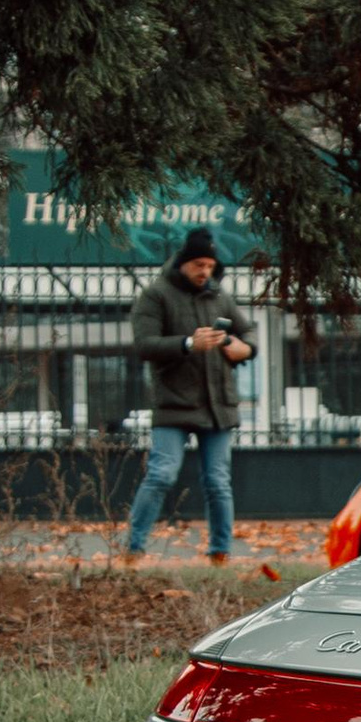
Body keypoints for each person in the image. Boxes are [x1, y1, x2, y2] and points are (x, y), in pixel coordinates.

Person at [122, 228, 256, 568]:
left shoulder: (219, 296)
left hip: (217, 406)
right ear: (183, 262)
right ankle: (133, 550)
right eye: (199, 265)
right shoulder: (156, 295)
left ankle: (220, 554)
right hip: (174, 404)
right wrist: (187, 344)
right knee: (161, 475)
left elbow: (247, 333)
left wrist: (243, 348)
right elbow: (144, 344)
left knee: (218, 482)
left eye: (210, 266)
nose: (205, 272)